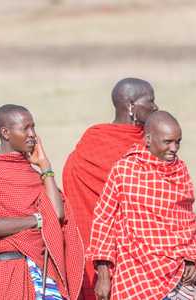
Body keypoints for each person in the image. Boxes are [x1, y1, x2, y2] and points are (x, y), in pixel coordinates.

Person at [88, 111, 196, 300]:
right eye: (167, 142)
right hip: (135, 272)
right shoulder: (125, 170)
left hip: (178, 275)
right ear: (148, 139)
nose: (174, 148)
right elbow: (103, 220)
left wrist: (192, 259)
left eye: (178, 141)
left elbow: (187, 223)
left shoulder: (180, 170)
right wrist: (104, 275)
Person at [0, 104, 84, 299]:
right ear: (6, 133)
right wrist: (37, 220)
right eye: (25, 128)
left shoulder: (31, 173)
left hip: (43, 272)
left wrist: (45, 166)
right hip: (7, 270)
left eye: (33, 127)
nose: (32, 134)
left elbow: (57, 213)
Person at [62, 77, 158, 299]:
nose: (155, 107)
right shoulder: (93, 143)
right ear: (132, 105)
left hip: (146, 250)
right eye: (151, 101)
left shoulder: (152, 140)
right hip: (103, 251)